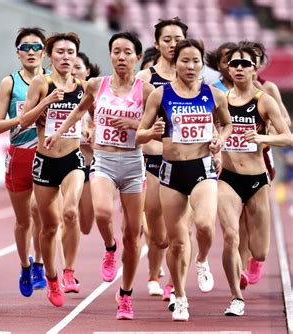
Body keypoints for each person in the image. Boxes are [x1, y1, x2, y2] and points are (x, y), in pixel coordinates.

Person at [45, 32, 154, 320]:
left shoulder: (147, 91)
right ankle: (109, 247)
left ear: (137, 57)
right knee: (103, 213)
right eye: (116, 51)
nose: (121, 57)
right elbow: (80, 110)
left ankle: (126, 296)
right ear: (110, 55)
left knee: (133, 236)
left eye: (127, 52)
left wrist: (133, 123)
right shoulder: (97, 84)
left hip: (132, 163)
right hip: (104, 160)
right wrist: (58, 131)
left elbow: (156, 126)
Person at [136, 39, 232, 321]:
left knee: (204, 225)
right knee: (176, 243)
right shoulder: (159, 94)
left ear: (203, 65)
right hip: (171, 171)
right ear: (174, 62)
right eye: (185, 61)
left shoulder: (214, 95)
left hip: (202, 168)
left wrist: (220, 139)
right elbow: (140, 134)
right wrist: (153, 131)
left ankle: (202, 260)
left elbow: (226, 124)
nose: (190, 66)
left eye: (196, 61)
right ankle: (180, 297)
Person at [218, 45, 291, 316]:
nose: (239, 67)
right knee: (230, 235)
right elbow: (210, 129)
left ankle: (253, 263)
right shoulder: (220, 99)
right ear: (228, 68)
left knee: (259, 252)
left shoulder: (264, 100)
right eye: (234, 63)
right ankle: (236, 297)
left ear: (254, 69)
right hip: (227, 177)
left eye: (245, 64)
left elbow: (288, 137)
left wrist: (263, 138)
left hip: (257, 179)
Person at [20, 32, 86, 307]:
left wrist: (91, 132)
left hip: (72, 159)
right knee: (48, 228)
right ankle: (52, 277)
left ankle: (69, 271)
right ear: (50, 56)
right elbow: (24, 121)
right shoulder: (40, 82)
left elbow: (88, 118)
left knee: (70, 212)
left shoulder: (83, 86)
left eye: (70, 52)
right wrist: (47, 102)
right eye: (60, 52)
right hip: (45, 162)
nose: (66, 57)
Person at [136, 17, 188, 300]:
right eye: (166, 39)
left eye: (177, 39)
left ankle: (175, 283)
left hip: (187, 161)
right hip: (154, 161)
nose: (172, 44)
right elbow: (133, 118)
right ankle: (154, 274)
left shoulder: (195, 78)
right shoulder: (145, 79)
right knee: (158, 233)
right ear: (156, 44)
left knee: (182, 228)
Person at [0, 27, 47, 297]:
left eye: (36, 47)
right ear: (18, 53)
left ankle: (39, 263)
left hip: (48, 154)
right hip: (19, 154)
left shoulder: (53, 81)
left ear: (44, 52)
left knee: (42, 213)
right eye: (25, 47)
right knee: (24, 220)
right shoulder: (10, 83)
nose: (31, 52)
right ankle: (25, 265)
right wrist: (24, 118)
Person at [71, 51, 101, 235]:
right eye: (70, 66)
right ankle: (65, 262)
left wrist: (93, 134)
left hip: (90, 167)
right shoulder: (58, 96)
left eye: (78, 67)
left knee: (86, 225)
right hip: (66, 164)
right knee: (66, 216)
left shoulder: (99, 100)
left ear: (87, 71)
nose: (73, 71)